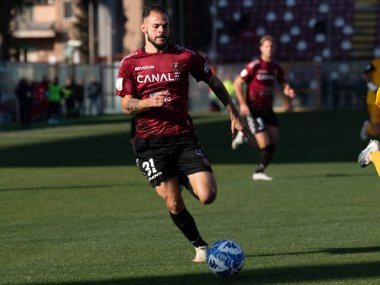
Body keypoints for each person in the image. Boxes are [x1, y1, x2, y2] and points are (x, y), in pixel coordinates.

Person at [115, 5, 246, 263]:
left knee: (208, 196)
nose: (162, 30)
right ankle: (200, 245)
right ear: (144, 28)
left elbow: (214, 82)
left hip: (183, 137)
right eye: (156, 26)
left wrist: (233, 112)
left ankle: (184, 175)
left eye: (165, 25)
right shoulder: (130, 63)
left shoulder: (184, 56)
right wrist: (148, 103)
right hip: (150, 144)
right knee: (173, 203)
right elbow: (126, 104)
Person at [232, 35, 296, 181]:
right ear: (261, 48)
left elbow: (284, 84)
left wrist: (288, 90)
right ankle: (245, 135)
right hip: (254, 109)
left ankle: (259, 171)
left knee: (274, 140)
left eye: (272, 46)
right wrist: (242, 103)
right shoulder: (254, 65)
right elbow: (237, 83)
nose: (270, 49)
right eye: (267, 46)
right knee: (264, 143)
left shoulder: (276, 67)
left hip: (268, 109)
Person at [360, 54, 380, 141]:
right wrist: (373, 87)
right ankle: (368, 127)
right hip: (374, 99)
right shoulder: (375, 62)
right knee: (376, 130)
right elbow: (365, 74)